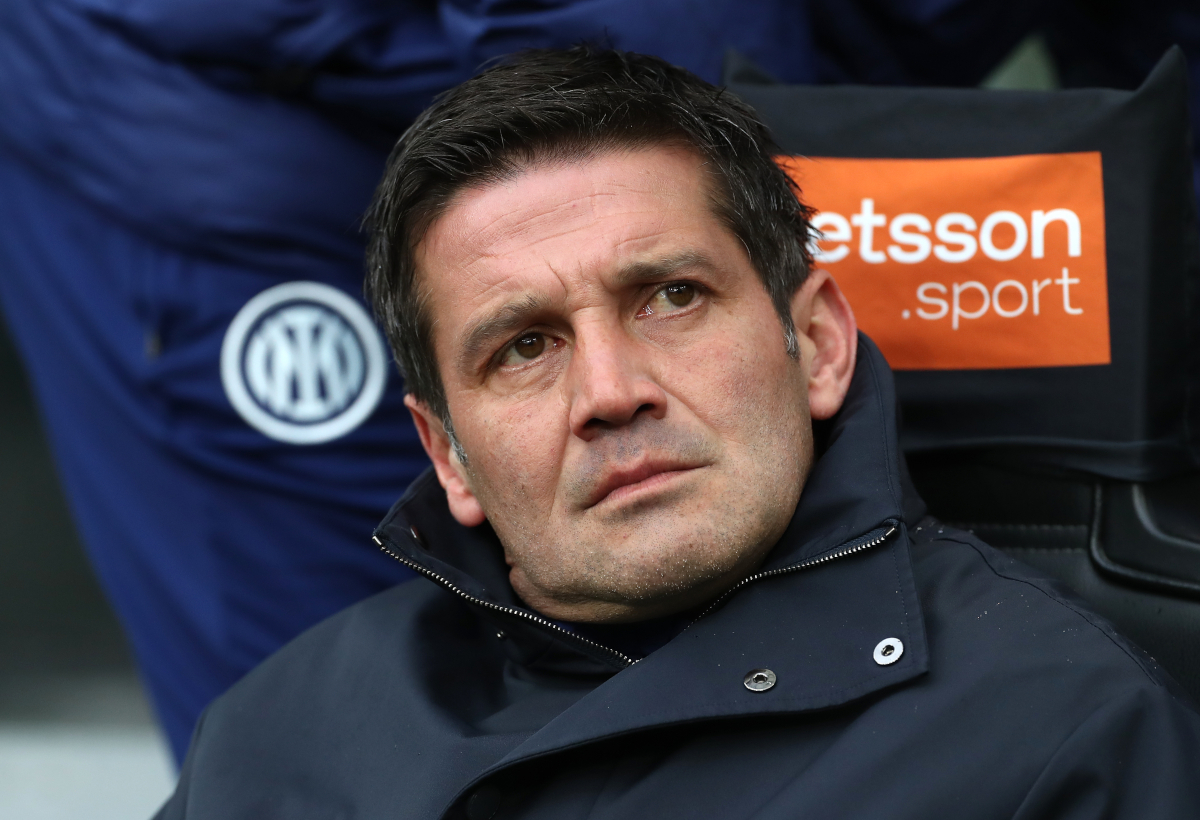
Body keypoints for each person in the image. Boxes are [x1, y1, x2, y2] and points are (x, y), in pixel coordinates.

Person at [155, 47, 1200, 818]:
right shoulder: (272, 737)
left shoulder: (1055, 733)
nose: (610, 391)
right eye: (523, 347)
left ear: (820, 344)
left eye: (671, 298)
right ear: (446, 456)